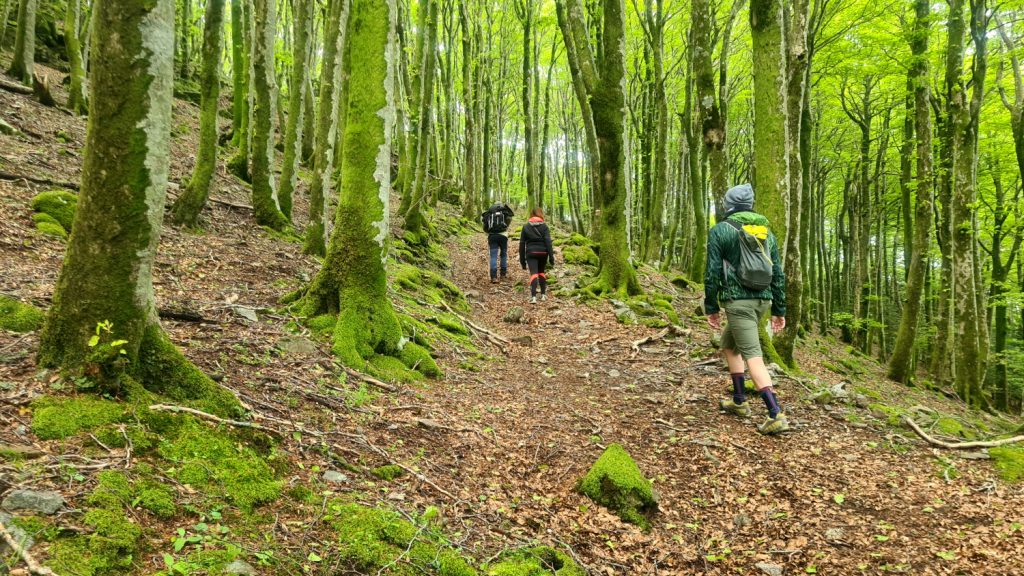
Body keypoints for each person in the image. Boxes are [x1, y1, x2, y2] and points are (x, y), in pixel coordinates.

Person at [704, 183, 788, 435]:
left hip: (737, 302)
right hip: (762, 301)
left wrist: (711, 306)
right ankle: (739, 401)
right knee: (729, 345)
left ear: (728, 206)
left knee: (753, 355)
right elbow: (778, 274)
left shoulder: (720, 231)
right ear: (750, 206)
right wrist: (778, 309)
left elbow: (712, 271)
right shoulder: (766, 234)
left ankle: (776, 413)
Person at [519, 207, 555, 304]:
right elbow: (548, 242)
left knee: (534, 273)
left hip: (531, 253)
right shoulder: (544, 227)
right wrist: (551, 257)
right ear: (540, 214)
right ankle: (543, 295)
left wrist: (522, 261)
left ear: (531, 214)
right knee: (541, 272)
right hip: (543, 253)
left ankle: (534, 297)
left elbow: (522, 244)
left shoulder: (526, 227)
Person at [481, 202, 515, 283]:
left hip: (492, 237)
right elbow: (507, 224)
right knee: (503, 255)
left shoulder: (489, 213)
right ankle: (503, 275)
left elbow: (485, 227)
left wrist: (490, 231)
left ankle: (494, 277)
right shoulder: (504, 212)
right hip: (503, 236)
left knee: (493, 256)